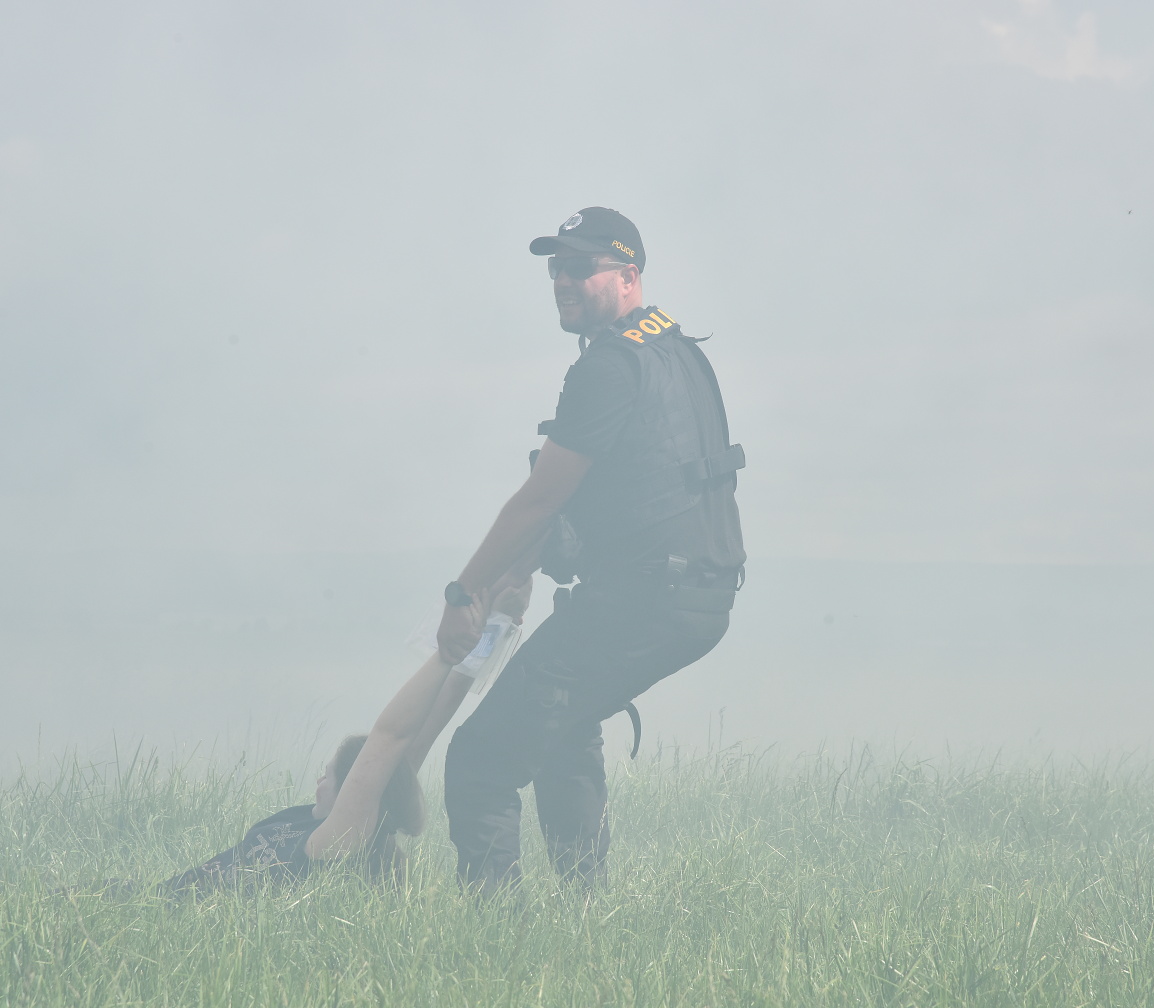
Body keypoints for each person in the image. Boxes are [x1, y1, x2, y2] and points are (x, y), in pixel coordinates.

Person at [437, 207, 746, 892]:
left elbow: (541, 500)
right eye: (555, 268)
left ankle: (497, 948)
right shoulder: (677, 350)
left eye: (580, 267)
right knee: (559, 728)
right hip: (698, 594)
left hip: (643, 600)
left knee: (480, 761)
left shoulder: (609, 366)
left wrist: (464, 595)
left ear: (629, 276)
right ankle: (586, 912)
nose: (562, 281)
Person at [165, 585, 527, 894]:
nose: (320, 782)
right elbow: (430, 721)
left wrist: (448, 652)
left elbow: (391, 737)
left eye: (331, 776)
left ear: (356, 793)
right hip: (161, 890)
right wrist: (493, 625)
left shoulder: (333, 845)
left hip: (175, 906)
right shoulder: (314, 821)